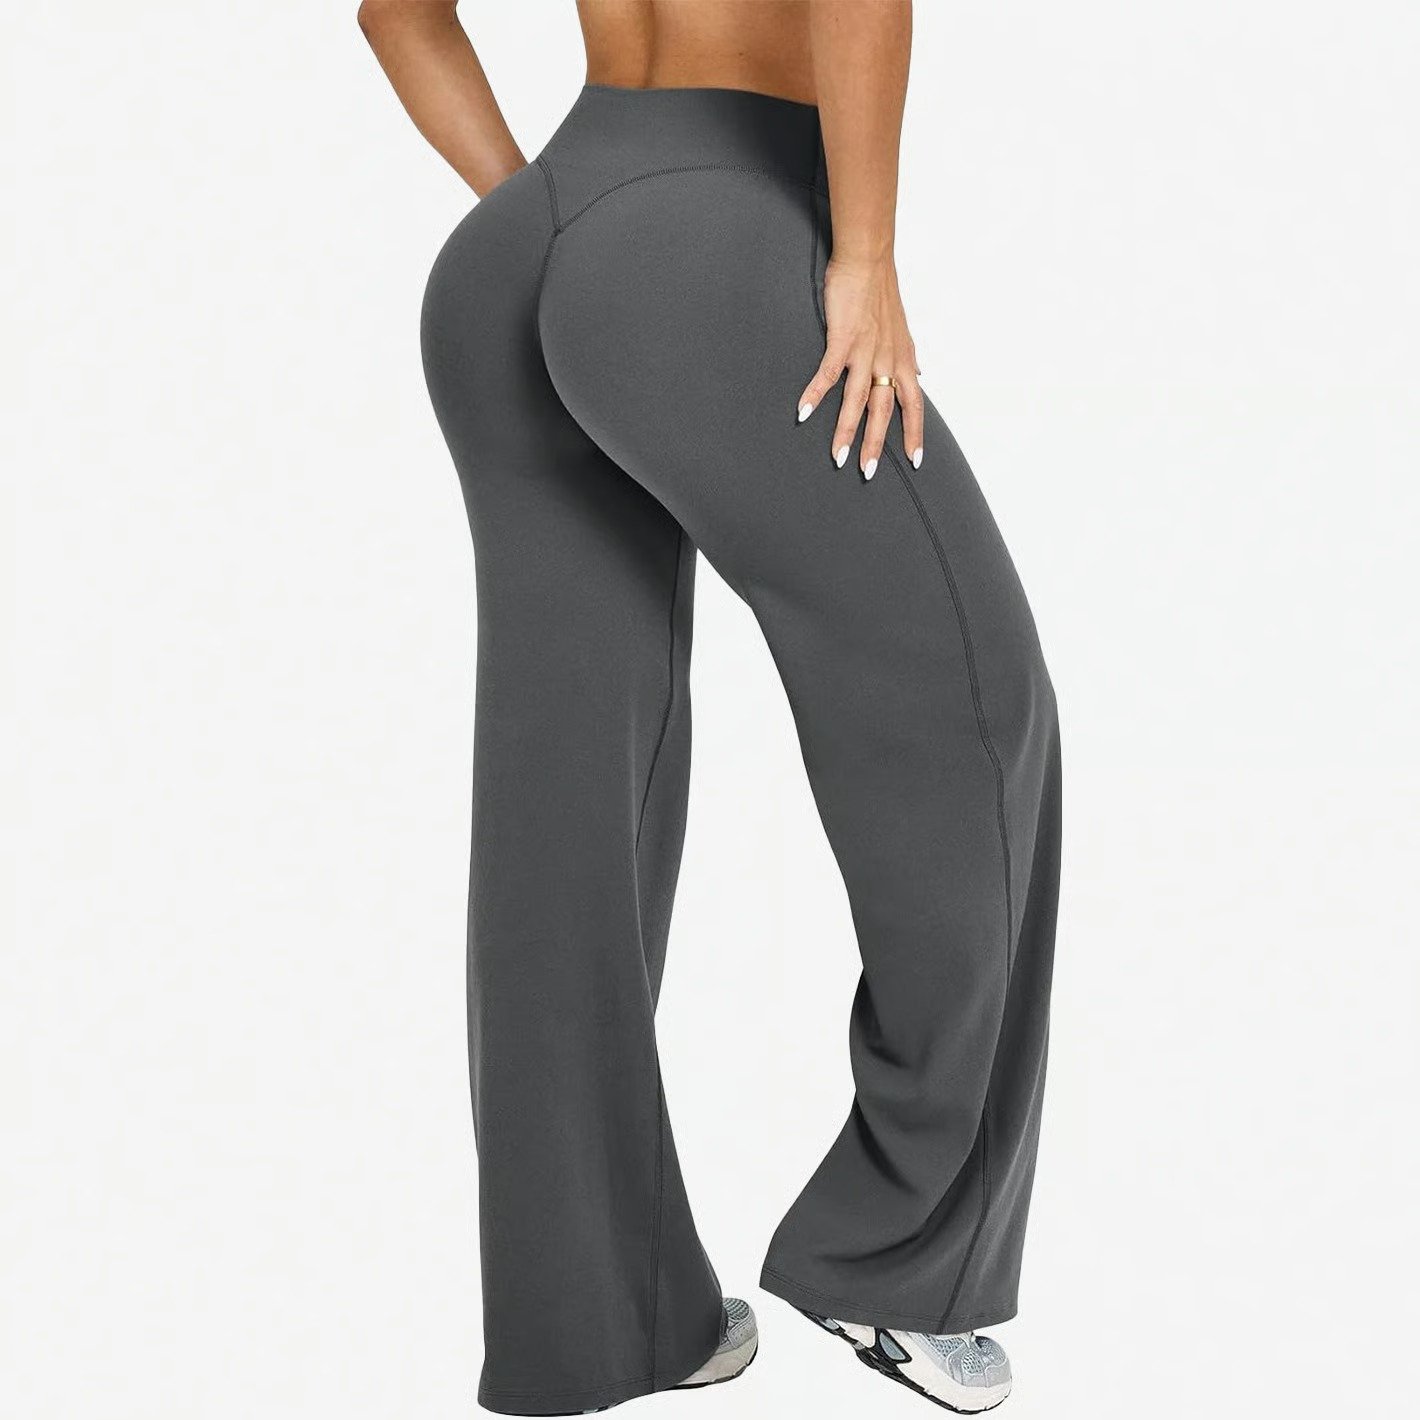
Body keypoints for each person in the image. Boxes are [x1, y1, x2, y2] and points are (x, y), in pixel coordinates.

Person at [359, 2, 1060, 1414]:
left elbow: (393, 11)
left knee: (568, 804)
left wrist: (554, 219)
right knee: (979, 719)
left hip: (526, 240)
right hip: (712, 240)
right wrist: (865, 260)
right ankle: (893, 1259)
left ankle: (594, 1328)